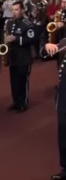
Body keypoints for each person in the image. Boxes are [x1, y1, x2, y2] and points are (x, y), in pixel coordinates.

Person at [4, 1, 36, 113]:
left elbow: (32, 40)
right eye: (13, 10)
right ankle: (16, 101)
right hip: (13, 57)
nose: (14, 12)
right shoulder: (9, 23)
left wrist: (16, 39)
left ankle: (23, 103)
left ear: (22, 10)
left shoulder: (27, 24)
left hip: (23, 58)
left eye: (16, 10)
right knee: (14, 81)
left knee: (22, 81)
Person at [42, 39, 66, 180]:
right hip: (63, 99)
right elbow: (44, 54)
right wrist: (46, 46)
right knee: (63, 137)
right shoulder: (64, 43)